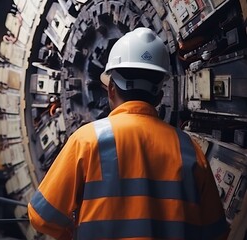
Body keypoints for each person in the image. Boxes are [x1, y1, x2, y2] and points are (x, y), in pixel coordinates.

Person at [27, 27, 229, 240]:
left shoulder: (86, 141)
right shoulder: (189, 150)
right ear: (159, 95)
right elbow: (216, 233)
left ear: (111, 88)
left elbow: (41, 217)